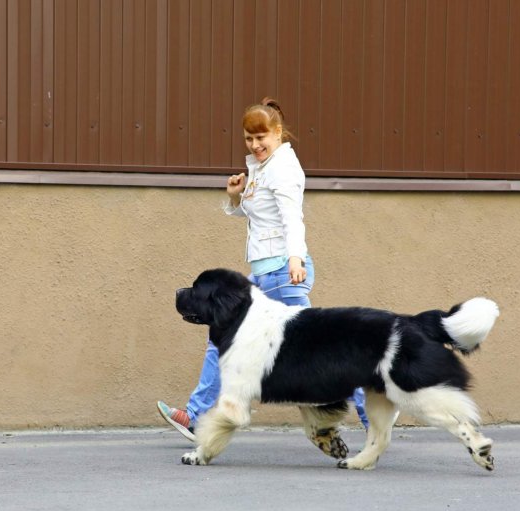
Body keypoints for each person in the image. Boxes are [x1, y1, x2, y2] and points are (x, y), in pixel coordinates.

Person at [157, 98, 368, 441]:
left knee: (319, 350)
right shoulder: (261, 168)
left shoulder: (283, 168)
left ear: (278, 133)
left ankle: (370, 413)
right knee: (221, 339)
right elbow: (258, 216)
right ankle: (194, 415)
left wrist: (296, 259)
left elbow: (291, 218)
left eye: (261, 138)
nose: (255, 146)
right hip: (264, 275)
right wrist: (235, 197)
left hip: (284, 274)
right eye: (249, 139)